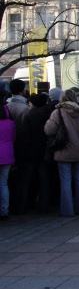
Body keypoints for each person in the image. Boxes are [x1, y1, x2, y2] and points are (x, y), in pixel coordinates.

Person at [44, 89, 79, 217]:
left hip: (63, 151)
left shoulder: (58, 112)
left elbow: (49, 130)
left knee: (65, 181)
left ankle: (67, 210)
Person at [0, 91, 16, 221]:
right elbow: (14, 138)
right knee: (3, 183)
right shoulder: (10, 122)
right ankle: (5, 210)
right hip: (7, 155)